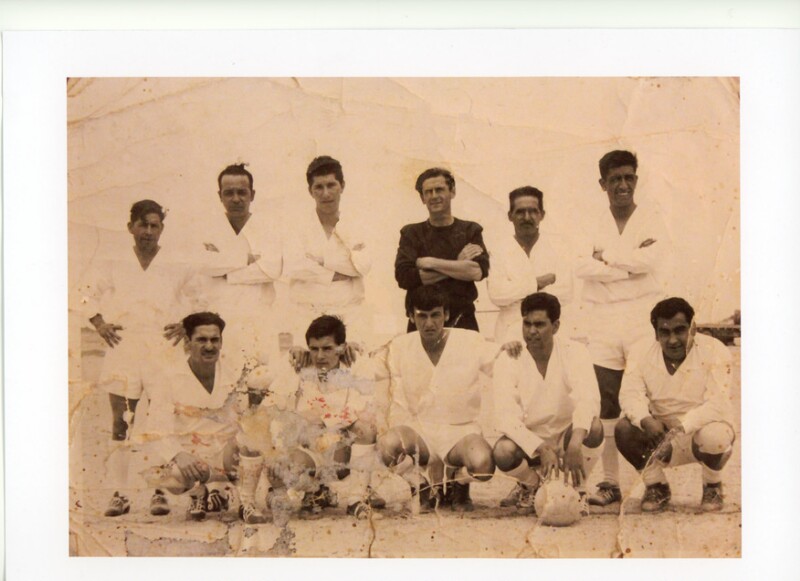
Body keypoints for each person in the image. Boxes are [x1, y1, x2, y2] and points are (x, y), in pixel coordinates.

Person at [78, 199, 204, 517]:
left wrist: (187, 324)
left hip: (163, 349)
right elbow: (84, 293)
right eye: (142, 225)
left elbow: (202, 296)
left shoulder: (177, 263)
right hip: (124, 348)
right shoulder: (113, 262)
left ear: (162, 228)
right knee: (122, 422)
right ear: (130, 227)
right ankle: (119, 494)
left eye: (154, 225)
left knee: (161, 421)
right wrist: (100, 324)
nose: (148, 231)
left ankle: (159, 492)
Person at [574, 150, 669, 507]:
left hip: (641, 314)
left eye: (629, 177)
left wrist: (606, 257)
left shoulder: (652, 217)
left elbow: (651, 260)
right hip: (602, 317)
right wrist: (629, 265)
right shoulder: (590, 221)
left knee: (644, 398)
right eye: (615, 179)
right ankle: (610, 483)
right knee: (607, 399)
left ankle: (655, 482)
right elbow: (580, 266)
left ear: (636, 180)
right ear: (603, 184)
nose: (623, 185)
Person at [377, 286, 520, 512]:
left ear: (446, 314)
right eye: (422, 316)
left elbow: (501, 362)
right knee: (386, 445)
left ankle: (458, 482)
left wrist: (510, 348)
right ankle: (420, 485)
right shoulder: (400, 346)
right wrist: (347, 351)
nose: (429, 323)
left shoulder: (469, 340)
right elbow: (369, 368)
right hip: (420, 430)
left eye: (435, 315)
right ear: (411, 316)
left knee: (483, 466)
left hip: (461, 431)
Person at [235, 315, 386, 523]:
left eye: (327, 348)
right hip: (306, 449)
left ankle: (356, 500)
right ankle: (250, 502)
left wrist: (322, 421)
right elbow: (272, 404)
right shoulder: (299, 367)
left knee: (366, 428)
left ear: (342, 348)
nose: (320, 356)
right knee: (256, 433)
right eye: (314, 349)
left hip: (340, 451)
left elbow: (362, 408)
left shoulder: (356, 366)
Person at [615, 297, 735, 512]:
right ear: (656, 334)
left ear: (693, 328)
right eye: (665, 332)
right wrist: (646, 420)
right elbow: (630, 395)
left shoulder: (715, 350)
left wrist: (682, 426)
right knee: (624, 429)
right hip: (661, 436)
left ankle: (712, 485)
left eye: (680, 330)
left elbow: (717, 404)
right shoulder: (640, 351)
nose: (672, 340)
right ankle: (656, 486)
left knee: (716, 436)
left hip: (700, 433)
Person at [492, 292, 603, 510]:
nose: (532, 331)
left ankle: (577, 486)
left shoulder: (575, 351)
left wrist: (575, 443)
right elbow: (505, 416)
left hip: (565, 437)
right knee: (502, 451)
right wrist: (540, 447)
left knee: (595, 427)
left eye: (540, 324)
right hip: (530, 441)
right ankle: (532, 485)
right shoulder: (509, 358)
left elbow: (588, 399)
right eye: (527, 324)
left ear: (555, 326)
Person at [140, 312, 240, 521]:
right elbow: (155, 428)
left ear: (221, 342)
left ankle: (228, 492)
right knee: (168, 477)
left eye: (214, 340)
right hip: (192, 456)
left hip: (226, 453)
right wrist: (178, 454)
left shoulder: (236, 371)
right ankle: (199, 493)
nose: (209, 346)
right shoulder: (168, 377)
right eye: (201, 340)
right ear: (187, 342)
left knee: (247, 445)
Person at [200, 163, 282, 371]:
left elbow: (271, 269)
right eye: (229, 193)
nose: (236, 199)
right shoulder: (208, 229)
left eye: (242, 192)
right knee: (221, 381)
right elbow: (206, 265)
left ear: (252, 194)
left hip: (258, 321)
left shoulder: (269, 230)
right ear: (220, 196)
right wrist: (246, 259)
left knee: (260, 381)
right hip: (218, 321)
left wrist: (227, 273)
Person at [283, 156, 372, 342]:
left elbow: (363, 266)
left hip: (349, 314)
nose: (325, 193)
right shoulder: (296, 226)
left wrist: (323, 261)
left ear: (342, 186)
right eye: (319, 187)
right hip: (305, 314)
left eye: (331, 185)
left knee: (351, 360)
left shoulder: (357, 224)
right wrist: (338, 272)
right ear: (310, 191)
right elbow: (294, 266)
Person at [395, 168, 490, 332]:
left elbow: (477, 272)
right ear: (422, 198)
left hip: (462, 319)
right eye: (428, 192)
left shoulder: (470, 230)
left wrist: (430, 263)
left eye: (439, 190)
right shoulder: (411, 233)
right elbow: (405, 277)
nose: (434, 196)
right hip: (423, 322)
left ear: (452, 192)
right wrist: (458, 263)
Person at [487, 186, 573, 342]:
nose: (527, 217)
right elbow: (497, 294)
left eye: (533, 211)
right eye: (520, 212)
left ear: (542, 215)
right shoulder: (499, 249)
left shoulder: (558, 247)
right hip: (509, 333)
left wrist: (516, 293)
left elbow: (565, 292)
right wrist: (537, 283)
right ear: (510, 216)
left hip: (550, 333)